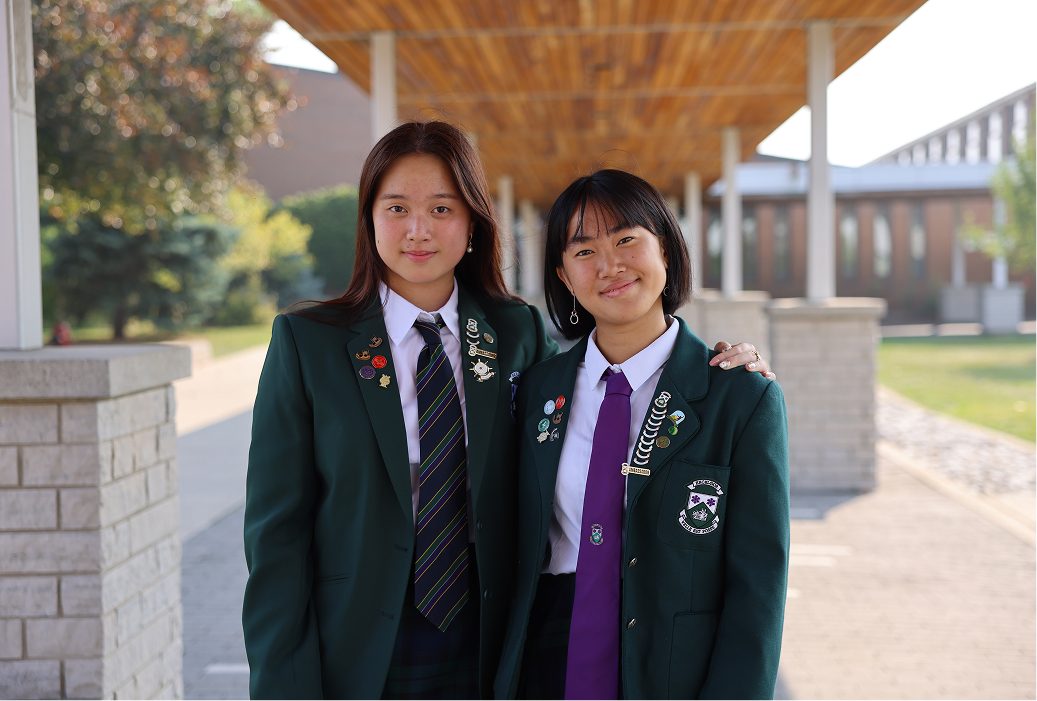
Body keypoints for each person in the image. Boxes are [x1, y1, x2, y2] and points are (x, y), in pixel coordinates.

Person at [242, 122, 773, 700]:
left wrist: (725, 364)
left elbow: (601, 393)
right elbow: (276, 539)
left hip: (491, 652)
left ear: (472, 222)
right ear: (369, 222)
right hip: (355, 653)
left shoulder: (513, 334)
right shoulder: (308, 343)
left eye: (442, 208)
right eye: (396, 208)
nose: (418, 230)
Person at [495, 169, 790, 700]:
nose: (609, 265)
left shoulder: (739, 399)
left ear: (668, 252)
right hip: (550, 662)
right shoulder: (537, 390)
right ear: (563, 276)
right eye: (583, 252)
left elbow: (758, 590)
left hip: (674, 669)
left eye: (627, 239)